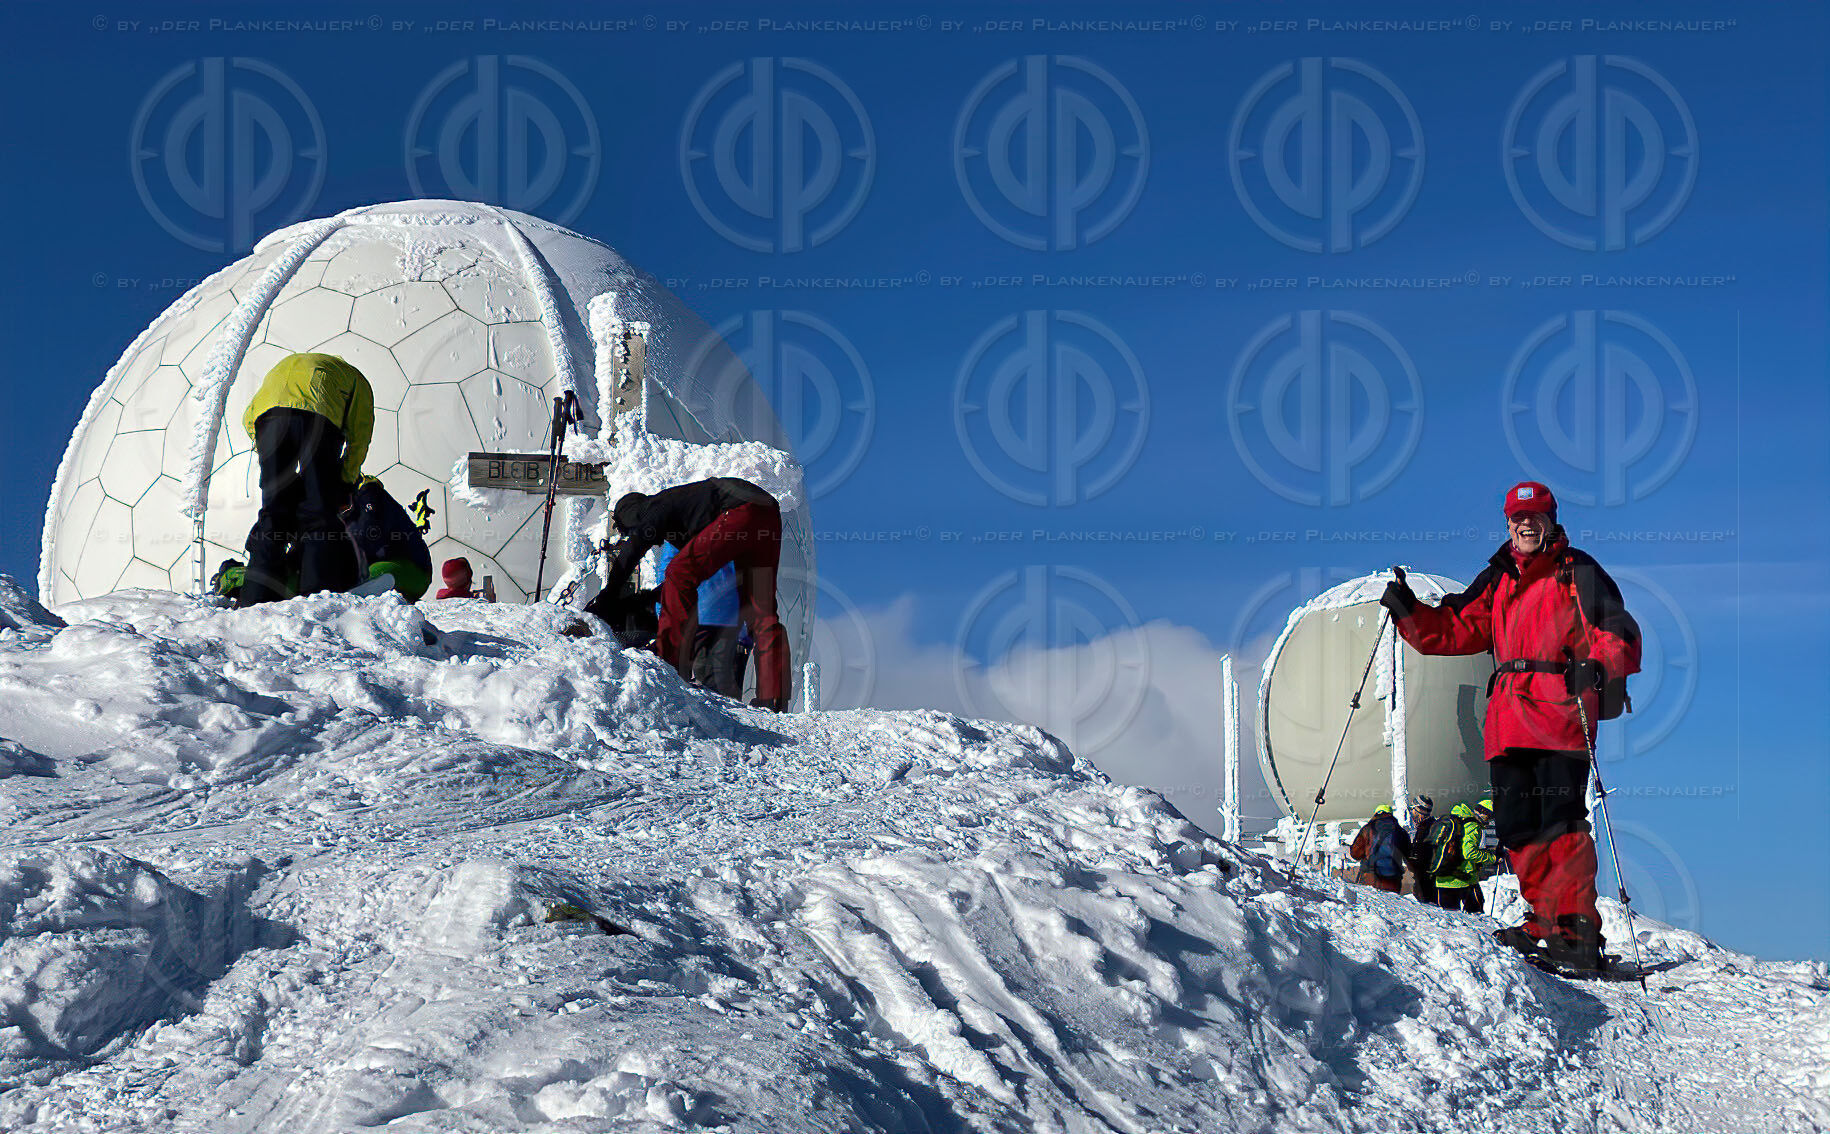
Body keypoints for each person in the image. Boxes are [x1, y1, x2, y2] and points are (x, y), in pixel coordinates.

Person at [1382, 481, 1641, 972]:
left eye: (1535, 517)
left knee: (1560, 821)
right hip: (1508, 720)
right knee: (1518, 826)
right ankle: (1543, 921)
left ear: (1551, 521)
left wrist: (1598, 666)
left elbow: (1618, 631)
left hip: (1562, 714)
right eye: (1517, 518)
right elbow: (1456, 627)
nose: (1526, 525)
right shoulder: (1497, 577)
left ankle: (1576, 931)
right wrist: (1409, 612)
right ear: (1507, 523)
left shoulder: (1578, 571)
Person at [585, 477, 791, 711]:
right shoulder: (686, 516)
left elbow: (632, 554)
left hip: (742, 509)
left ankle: (671, 665)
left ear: (632, 516)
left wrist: (608, 595)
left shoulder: (655, 507)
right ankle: (773, 697)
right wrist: (646, 599)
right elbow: (686, 582)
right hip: (768, 515)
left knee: (679, 572)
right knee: (761, 612)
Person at [238, 353, 374, 605]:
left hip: (267, 419)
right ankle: (316, 597)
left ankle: (253, 599)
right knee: (319, 512)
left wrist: (270, 458)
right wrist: (345, 480)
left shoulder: (283, 366)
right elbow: (360, 434)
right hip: (318, 415)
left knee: (273, 515)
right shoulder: (355, 378)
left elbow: (248, 419)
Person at [654, 543, 746, 699]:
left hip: (696, 614)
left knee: (688, 689)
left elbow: (667, 571)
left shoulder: (682, 532)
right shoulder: (736, 533)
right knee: (720, 691)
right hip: (728, 615)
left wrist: (662, 611)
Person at [1431, 799, 1497, 913]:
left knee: (1449, 918)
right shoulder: (1472, 825)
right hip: (1463, 879)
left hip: (1443, 877)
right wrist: (1492, 858)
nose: (1489, 821)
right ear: (1484, 813)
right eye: (1490, 817)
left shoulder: (1456, 820)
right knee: (1476, 915)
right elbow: (1469, 852)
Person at [1348, 804, 1411, 894]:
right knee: (1390, 902)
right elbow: (1408, 856)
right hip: (1393, 881)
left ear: (1376, 814)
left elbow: (1355, 854)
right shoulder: (1401, 832)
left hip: (1370, 878)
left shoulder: (1367, 829)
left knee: (1370, 902)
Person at [1404, 796, 1438, 905]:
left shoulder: (1426, 829)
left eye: (1413, 810)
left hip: (1426, 880)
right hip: (1431, 878)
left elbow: (1421, 857)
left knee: (1429, 906)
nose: (1411, 813)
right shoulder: (1431, 826)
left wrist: (1406, 855)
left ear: (1419, 810)